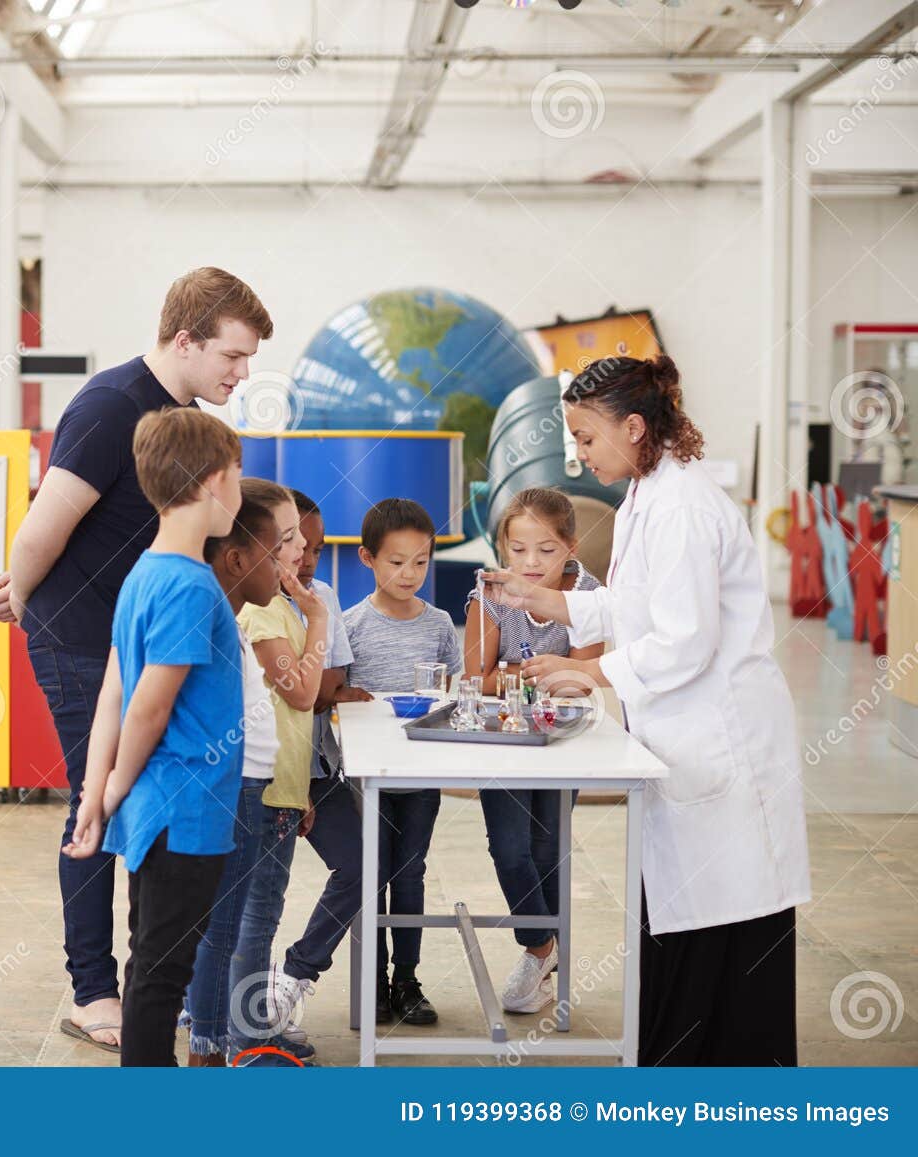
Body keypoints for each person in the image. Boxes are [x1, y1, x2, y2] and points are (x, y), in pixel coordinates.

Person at [0, 269, 272, 1053]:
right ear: (185, 340)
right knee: (95, 803)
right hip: (82, 636)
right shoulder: (111, 405)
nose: (240, 375)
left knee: (125, 801)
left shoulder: (182, 419)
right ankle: (94, 989)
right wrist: (26, 597)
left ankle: (145, 976)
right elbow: (45, 524)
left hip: (131, 636)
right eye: (232, 356)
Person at [483, 353, 811, 1066]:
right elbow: (631, 604)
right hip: (687, 744)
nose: (578, 451)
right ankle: (682, 1073)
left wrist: (586, 671)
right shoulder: (648, 494)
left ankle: (722, 1091)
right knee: (685, 916)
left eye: (586, 436)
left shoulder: (684, 506)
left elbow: (685, 641)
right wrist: (539, 596)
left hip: (724, 742)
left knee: (723, 926)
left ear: (634, 426)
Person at [61, 406, 247, 1067]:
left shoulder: (144, 570)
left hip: (154, 810)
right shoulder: (191, 585)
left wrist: (94, 795)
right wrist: (105, 792)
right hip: (182, 811)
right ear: (210, 480)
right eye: (238, 474)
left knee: (152, 965)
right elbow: (146, 706)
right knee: (162, 977)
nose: (240, 491)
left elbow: (114, 690)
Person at [463, 487, 603, 1015]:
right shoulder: (487, 594)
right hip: (501, 740)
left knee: (549, 852)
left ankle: (546, 960)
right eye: (518, 550)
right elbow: (477, 677)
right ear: (502, 548)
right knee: (510, 849)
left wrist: (515, 673)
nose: (530, 563)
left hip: (563, 743)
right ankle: (540, 947)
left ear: (569, 546)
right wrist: (550, 671)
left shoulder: (588, 594)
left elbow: (585, 681)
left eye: (546, 550)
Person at [342, 498, 462, 1026]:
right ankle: (372, 979)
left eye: (420, 561)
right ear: (368, 559)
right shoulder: (350, 625)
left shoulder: (439, 625)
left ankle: (406, 980)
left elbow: (455, 694)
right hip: (367, 779)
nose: (409, 573)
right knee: (371, 874)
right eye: (396, 562)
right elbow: (338, 699)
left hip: (421, 773)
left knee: (410, 874)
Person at [224, 479, 328, 1061]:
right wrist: (318, 618)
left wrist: (300, 789)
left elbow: (292, 725)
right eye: (287, 540)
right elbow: (305, 693)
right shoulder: (266, 610)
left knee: (251, 915)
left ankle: (231, 1020)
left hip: (280, 788)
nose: (298, 551)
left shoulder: (279, 604)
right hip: (259, 792)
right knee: (254, 920)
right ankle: (249, 1038)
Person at [180, 481, 283, 1066]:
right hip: (233, 790)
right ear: (237, 559)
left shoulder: (229, 615)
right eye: (278, 549)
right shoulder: (218, 617)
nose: (287, 561)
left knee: (224, 925)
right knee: (222, 930)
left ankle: (208, 1040)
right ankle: (209, 1051)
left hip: (246, 787)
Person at [266, 490, 373, 1037]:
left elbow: (331, 686)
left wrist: (321, 687)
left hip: (316, 767)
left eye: (316, 547)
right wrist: (320, 686)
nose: (307, 558)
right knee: (257, 893)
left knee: (363, 865)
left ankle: (295, 974)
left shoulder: (322, 595)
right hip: (269, 772)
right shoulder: (254, 603)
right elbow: (308, 692)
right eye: (296, 544)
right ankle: (221, 996)